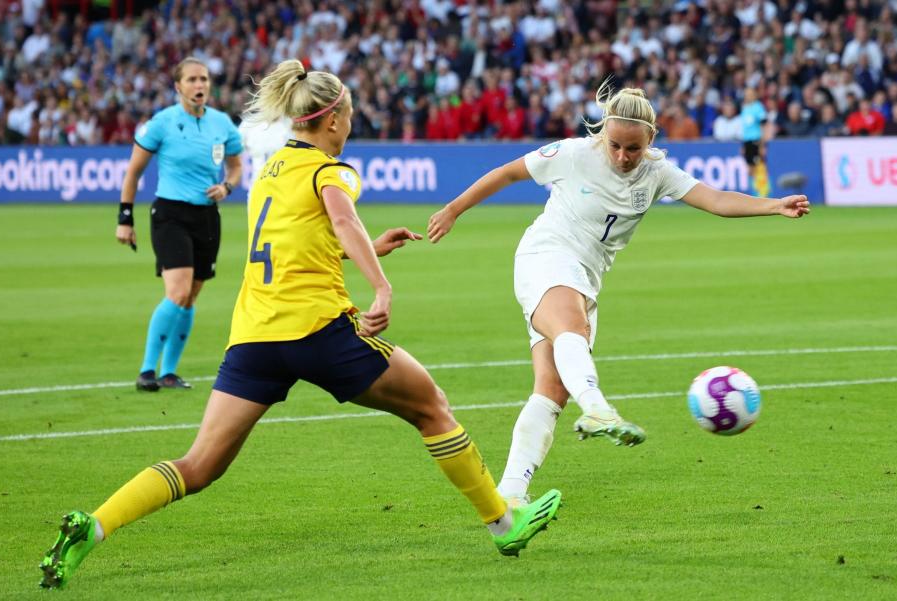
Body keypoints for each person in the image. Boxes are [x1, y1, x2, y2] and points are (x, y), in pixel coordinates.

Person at [40, 59, 562, 590]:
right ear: (332, 119)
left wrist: (365, 248)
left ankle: (97, 526)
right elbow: (341, 217)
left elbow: (300, 241)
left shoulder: (268, 174)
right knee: (432, 408)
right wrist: (380, 284)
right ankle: (502, 523)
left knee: (199, 465)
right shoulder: (328, 170)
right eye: (351, 116)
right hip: (319, 331)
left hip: (255, 337)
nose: (351, 126)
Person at [427, 86, 809, 506]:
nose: (623, 156)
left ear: (650, 142)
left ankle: (510, 499)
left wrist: (774, 205)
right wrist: (453, 209)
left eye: (633, 148)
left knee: (551, 390)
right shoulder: (573, 154)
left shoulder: (657, 172)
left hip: (586, 278)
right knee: (571, 327)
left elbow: (715, 199)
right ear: (601, 134)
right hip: (546, 257)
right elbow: (508, 173)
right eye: (615, 145)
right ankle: (599, 408)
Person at [115, 57, 243, 392]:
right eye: (191, 80)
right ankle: (146, 370)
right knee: (178, 290)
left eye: (203, 79)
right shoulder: (162, 123)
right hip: (170, 214)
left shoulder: (222, 124)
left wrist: (227, 186)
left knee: (191, 296)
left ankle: (169, 372)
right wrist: (124, 218)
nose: (199, 85)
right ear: (178, 87)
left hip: (206, 217)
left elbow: (235, 166)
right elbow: (133, 172)